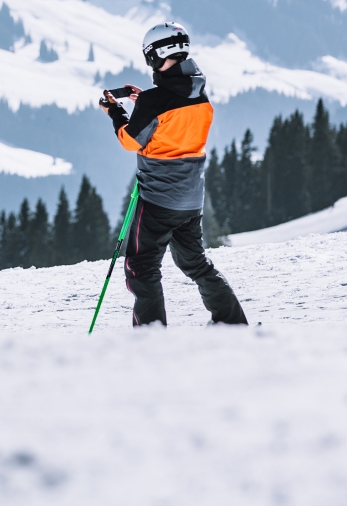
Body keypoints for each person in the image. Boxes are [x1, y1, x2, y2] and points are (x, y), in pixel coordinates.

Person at [99, 22, 248, 327]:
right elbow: (173, 125)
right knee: (195, 262)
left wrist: (116, 112)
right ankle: (231, 323)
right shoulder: (200, 96)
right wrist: (146, 105)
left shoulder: (155, 101)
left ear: (155, 56)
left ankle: (150, 336)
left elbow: (130, 140)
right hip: (191, 200)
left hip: (156, 200)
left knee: (141, 267)